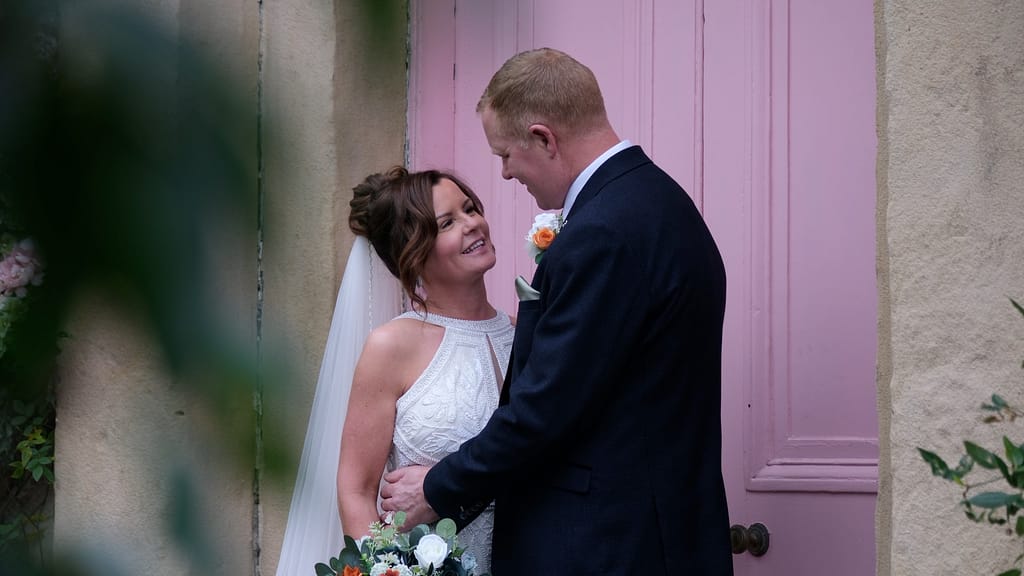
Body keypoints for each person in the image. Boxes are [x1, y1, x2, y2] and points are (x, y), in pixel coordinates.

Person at [380, 48, 733, 575]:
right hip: (659, 530)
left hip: (610, 546)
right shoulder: (659, 203)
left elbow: (546, 409)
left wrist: (436, 488)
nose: (502, 174)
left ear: (544, 138)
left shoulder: (602, 233)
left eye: (505, 154)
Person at [274, 167, 512, 576]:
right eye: (448, 223)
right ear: (414, 253)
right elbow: (356, 490)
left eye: (470, 209)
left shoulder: (523, 333)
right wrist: (386, 570)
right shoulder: (392, 347)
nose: (473, 224)